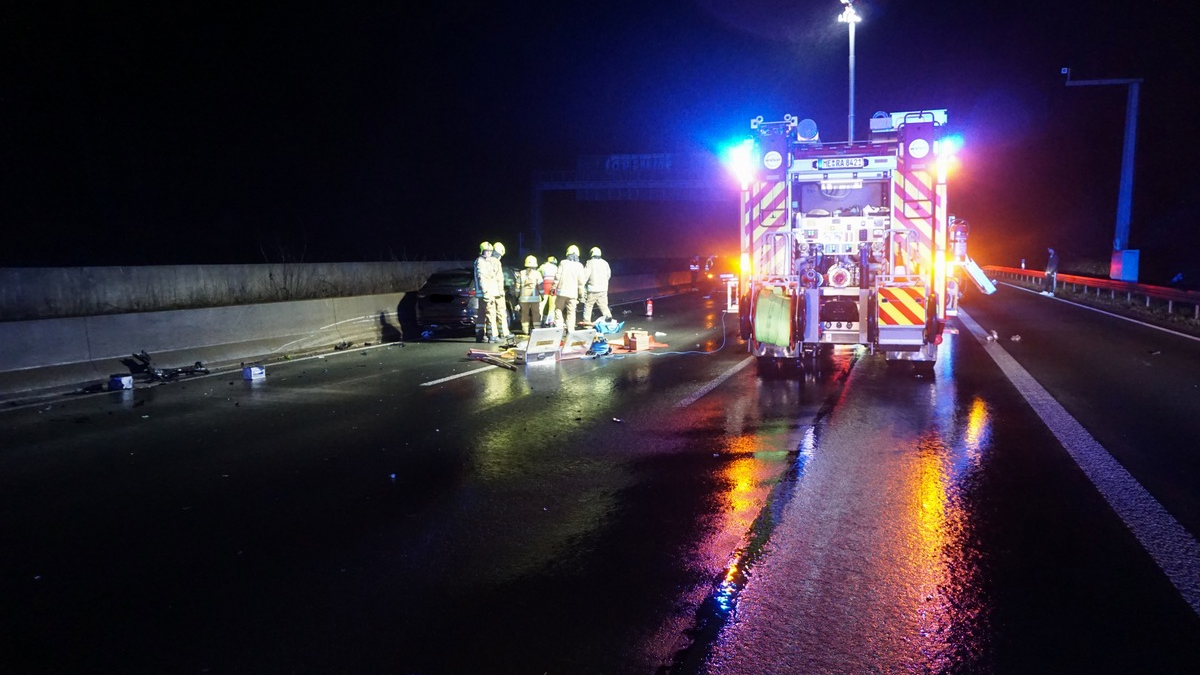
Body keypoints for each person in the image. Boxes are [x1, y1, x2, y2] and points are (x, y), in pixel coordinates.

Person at [473, 242, 503, 342]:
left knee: (481, 314)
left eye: (490, 251)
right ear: (482, 251)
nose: (489, 253)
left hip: (484, 293)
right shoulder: (481, 262)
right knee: (491, 314)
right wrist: (486, 292)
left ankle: (480, 334)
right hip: (487, 293)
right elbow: (482, 278)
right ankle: (493, 336)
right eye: (487, 251)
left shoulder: (483, 261)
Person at [554, 244, 586, 329]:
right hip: (573, 294)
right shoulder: (579, 266)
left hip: (561, 292)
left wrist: (553, 288)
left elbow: (557, 277)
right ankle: (570, 329)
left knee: (558, 309)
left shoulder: (563, 263)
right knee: (571, 312)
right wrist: (581, 295)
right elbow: (581, 283)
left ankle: (559, 328)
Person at [582, 246, 613, 325]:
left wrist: (582, 285)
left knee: (588, 305)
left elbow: (585, 275)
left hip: (592, 289)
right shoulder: (605, 263)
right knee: (603, 305)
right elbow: (608, 275)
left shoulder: (590, 262)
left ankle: (586, 321)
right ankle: (608, 317)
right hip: (603, 289)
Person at [516, 255, 543, 335]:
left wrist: (517, 295)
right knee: (536, 313)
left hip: (524, 298)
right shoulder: (537, 273)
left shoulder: (521, 273)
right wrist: (543, 295)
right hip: (535, 298)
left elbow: (517, 286)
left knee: (524, 314)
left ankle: (525, 330)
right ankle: (537, 329)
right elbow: (540, 286)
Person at [490, 242, 512, 339]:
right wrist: (501, 291)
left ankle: (492, 334)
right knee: (501, 312)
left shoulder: (486, 261)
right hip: (497, 292)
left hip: (489, 293)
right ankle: (504, 332)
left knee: (491, 314)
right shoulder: (497, 262)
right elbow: (499, 279)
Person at [538, 255, 558, 325]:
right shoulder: (556, 267)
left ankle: (540, 320)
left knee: (542, 304)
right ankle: (550, 321)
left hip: (545, 285)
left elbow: (538, 275)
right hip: (554, 286)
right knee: (552, 305)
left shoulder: (543, 266)